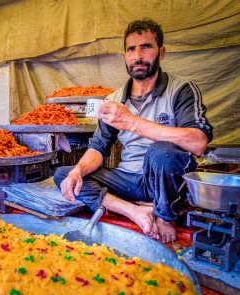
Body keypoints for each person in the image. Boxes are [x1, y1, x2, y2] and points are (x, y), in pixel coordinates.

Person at [54, 19, 212, 243]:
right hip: (128, 181)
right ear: (125, 56)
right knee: (64, 175)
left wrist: (130, 122)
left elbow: (198, 143)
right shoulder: (114, 99)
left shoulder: (181, 90)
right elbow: (98, 148)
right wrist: (78, 170)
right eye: (131, 49)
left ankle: (165, 216)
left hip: (167, 182)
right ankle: (135, 211)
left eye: (146, 46)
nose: (138, 55)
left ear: (162, 52)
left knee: (161, 152)